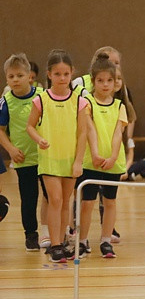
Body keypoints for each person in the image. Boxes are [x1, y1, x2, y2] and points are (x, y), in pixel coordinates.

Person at [25, 50, 88, 263]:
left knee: (65, 203)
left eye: (66, 74)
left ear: (71, 74)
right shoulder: (41, 100)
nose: (62, 78)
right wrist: (38, 139)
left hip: (70, 160)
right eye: (58, 74)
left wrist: (79, 161)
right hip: (49, 159)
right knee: (55, 199)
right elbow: (30, 126)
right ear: (49, 74)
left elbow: (83, 133)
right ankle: (55, 244)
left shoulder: (79, 102)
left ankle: (61, 240)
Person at [78, 58, 128, 258]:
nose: (105, 84)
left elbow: (118, 134)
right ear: (93, 81)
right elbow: (89, 129)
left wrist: (113, 156)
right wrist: (96, 153)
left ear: (115, 82)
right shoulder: (86, 102)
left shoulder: (119, 106)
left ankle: (106, 241)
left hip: (112, 163)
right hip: (92, 161)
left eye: (109, 80)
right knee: (87, 203)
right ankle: (82, 241)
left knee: (110, 202)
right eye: (100, 80)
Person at [0, 53, 45, 250]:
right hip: (23, 158)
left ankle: (51, 233)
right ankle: (31, 234)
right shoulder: (5, 101)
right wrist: (10, 149)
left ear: (29, 76)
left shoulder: (41, 96)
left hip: (45, 156)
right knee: (28, 198)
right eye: (11, 77)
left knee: (52, 197)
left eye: (19, 75)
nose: (15, 80)